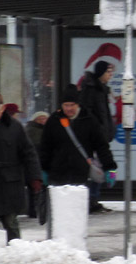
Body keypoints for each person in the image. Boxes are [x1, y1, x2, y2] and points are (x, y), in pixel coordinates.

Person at [40, 85, 117, 214]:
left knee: (76, 213)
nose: (69, 109)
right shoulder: (54, 121)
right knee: (59, 213)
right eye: (66, 105)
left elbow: (101, 146)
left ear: (78, 104)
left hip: (80, 174)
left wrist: (110, 168)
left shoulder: (89, 120)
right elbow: (45, 147)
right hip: (57, 174)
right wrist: (44, 169)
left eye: (72, 105)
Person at [0, 91, 43, 249]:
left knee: (11, 223)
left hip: (9, 184)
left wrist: (35, 178)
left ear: (2, 108)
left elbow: (28, 153)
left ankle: (15, 254)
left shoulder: (15, 127)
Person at [78, 60, 116, 211]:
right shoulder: (92, 90)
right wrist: (98, 129)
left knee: (98, 168)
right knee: (95, 169)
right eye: (108, 72)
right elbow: (88, 113)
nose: (110, 75)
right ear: (100, 73)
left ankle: (93, 198)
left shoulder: (102, 89)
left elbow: (104, 113)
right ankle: (91, 199)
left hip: (101, 135)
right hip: (93, 137)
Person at [24, 111, 49, 219]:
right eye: (40, 119)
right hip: (36, 163)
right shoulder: (32, 131)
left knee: (37, 188)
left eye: (45, 119)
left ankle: (35, 210)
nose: (43, 121)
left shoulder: (47, 130)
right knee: (35, 187)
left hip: (39, 163)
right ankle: (34, 210)